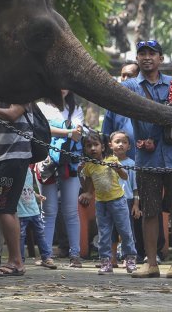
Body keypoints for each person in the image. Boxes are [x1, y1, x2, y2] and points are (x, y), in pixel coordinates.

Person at [125, 40, 172, 279]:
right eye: (142, 53)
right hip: (147, 158)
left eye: (152, 53)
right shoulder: (130, 87)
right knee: (149, 210)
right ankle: (151, 263)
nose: (146, 57)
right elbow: (121, 110)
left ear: (161, 59)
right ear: (137, 59)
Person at [0, 98, 30, 277]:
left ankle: (16, 262)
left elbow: (13, 114)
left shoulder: (23, 90)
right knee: (7, 208)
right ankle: (15, 259)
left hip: (13, 158)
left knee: (2, 206)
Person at [37, 89, 85, 267]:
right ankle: (46, 254)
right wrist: (68, 131)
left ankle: (75, 255)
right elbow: (42, 130)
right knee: (48, 210)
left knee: (71, 210)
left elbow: (79, 133)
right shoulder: (41, 106)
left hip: (69, 163)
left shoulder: (75, 108)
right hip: (46, 162)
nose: (62, 87)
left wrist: (63, 130)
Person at [79, 131, 134, 275]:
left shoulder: (112, 159)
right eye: (88, 146)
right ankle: (105, 261)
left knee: (125, 231)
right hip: (101, 203)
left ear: (102, 147)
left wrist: (118, 169)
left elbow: (125, 176)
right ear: (85, 149)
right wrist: (81, 174)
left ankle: (130, 259)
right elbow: (88, 186)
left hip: (118, 201)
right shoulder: (89, 166)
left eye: (95, 145)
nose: (92, 148)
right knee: (104, 233)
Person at [109, 130, 139, 271]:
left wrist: (136, 205)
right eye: (117, 141)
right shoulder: (106, 162)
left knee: (127, 232)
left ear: (129, 146)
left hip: (126, 200)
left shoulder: (131, 164)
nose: (121, 145)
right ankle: (112, 258)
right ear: (110, 145)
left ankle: (128, 258)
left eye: (124, 142)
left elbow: (135, 187)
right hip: (110, 200)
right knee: (111, 231)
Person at [17, 165, 49, 268]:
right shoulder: (15, 171)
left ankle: (46, 257)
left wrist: (37, 195)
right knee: (20, 236)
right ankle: (20, 259)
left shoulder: (29, 171)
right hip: (21, 210)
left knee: (40, 233)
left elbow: (29, 187)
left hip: (33, 209)